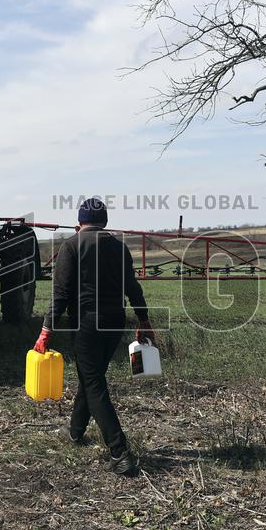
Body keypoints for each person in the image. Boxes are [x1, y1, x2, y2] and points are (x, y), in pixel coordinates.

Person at [33, 198, 155, 476]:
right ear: (105, 222)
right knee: (93, 377)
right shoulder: (119, 247)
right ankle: (75, 431)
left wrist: (46, 330)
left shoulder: (72, 246)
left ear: (79, 223)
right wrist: (144, 320)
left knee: (93, 382)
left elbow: (61, 295)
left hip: (88, 323)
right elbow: (132, 287)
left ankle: (119, 451)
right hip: (115, 323)